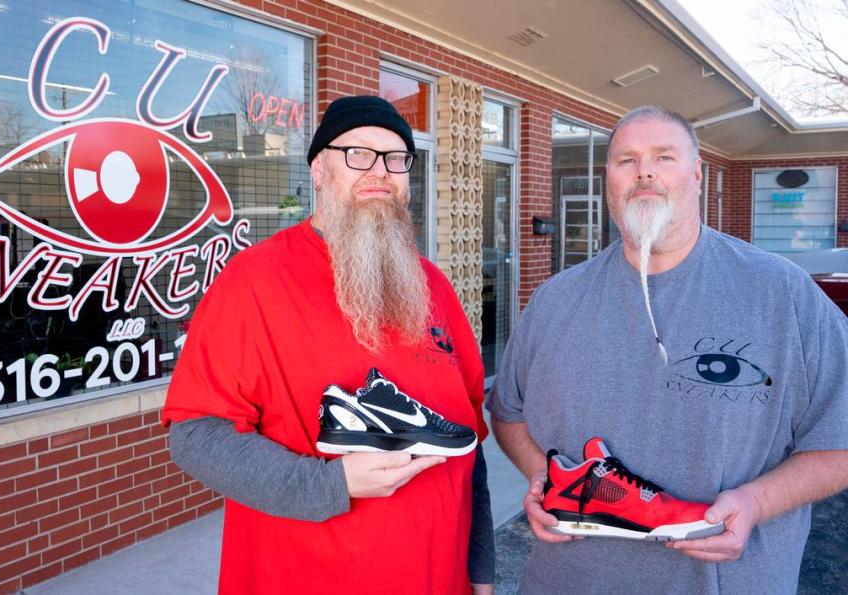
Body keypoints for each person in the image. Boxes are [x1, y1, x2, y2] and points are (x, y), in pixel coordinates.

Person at [488, 105, 848, 593]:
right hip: (569, 580)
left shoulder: (782, 294)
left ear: (697, 175)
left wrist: (756, 503)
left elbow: (839, 440)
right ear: (608, 179)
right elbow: (508, 415)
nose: (645, 172)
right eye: (626, 160)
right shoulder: (556, 299)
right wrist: (546, 480)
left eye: (664, 156)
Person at [162, 96, 494, 595]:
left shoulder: (432, 286)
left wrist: (481, 571)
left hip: (438, 578)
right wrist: (332, 486)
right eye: (358, 153)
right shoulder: (255, 281)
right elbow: (195, 435)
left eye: (396, 159)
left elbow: (469, 443)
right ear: (318, 169)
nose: (380, 172)